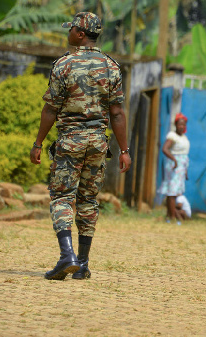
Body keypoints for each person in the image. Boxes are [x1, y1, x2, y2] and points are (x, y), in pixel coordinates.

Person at [30, 12, 131, 281]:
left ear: (80, 34)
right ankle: (82, 264)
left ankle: (67, 256)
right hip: (98, 143)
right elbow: (117, 112)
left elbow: (50, 109)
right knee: (88, 200)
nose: (69, 33)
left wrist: (38, 142)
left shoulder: (63, 65)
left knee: (62, 197)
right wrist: (124, 150)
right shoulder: (111, 66)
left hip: (70, 141)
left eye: (71, 29)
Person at [159, 113, 190, 225]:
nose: (182, 127)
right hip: (174, 167)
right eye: (180, 124)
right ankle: (172, 217)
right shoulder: (172, 136)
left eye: (184, 125)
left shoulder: (184, 137)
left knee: (175, 192)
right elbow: (165, 149)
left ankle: (169, 215)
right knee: (171, 192)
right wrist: (175, 160)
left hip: (181, 168)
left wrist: (185, 170)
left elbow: (184, 154)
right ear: (176, 124)